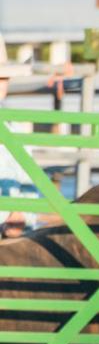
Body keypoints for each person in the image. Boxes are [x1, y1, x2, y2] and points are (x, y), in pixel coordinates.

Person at [0, 34, 36, 237]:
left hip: (14, 227)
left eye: (3, 77)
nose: (1, 83)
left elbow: (27, 177)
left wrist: (23, 214)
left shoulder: (14, 126)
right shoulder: (14, 126)